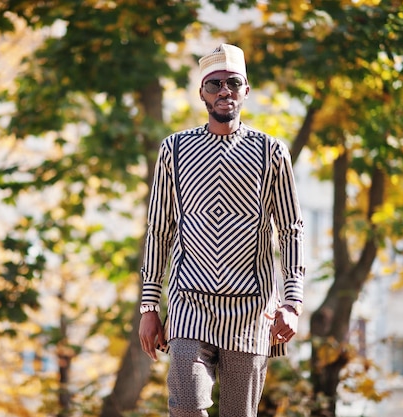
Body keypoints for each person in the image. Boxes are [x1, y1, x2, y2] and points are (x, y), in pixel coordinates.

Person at [138, 44, 305, 417]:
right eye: (214, 85)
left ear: (247, 90)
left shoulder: (272, 153)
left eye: (233, 82)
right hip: (189, 304)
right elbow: (159, 229)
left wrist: (292, 302)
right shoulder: (175, 149)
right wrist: (150, 305)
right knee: (185, 408)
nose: (223, 91)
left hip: (251, 309)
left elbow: (291, 230)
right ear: (202, 93)